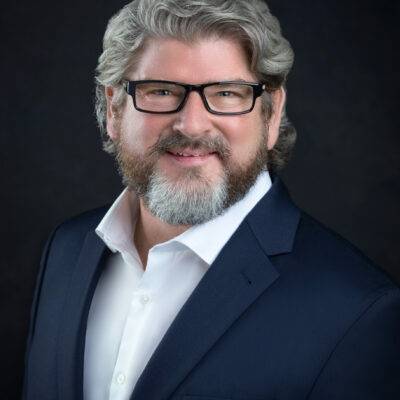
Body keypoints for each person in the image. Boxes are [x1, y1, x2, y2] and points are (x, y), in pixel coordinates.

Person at [23, 0, 400, 399]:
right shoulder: (65, 250)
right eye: (161, 91)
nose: (191, 125)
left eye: (226, 93)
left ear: (272, 115)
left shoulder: (357, 310)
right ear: (114, 110)